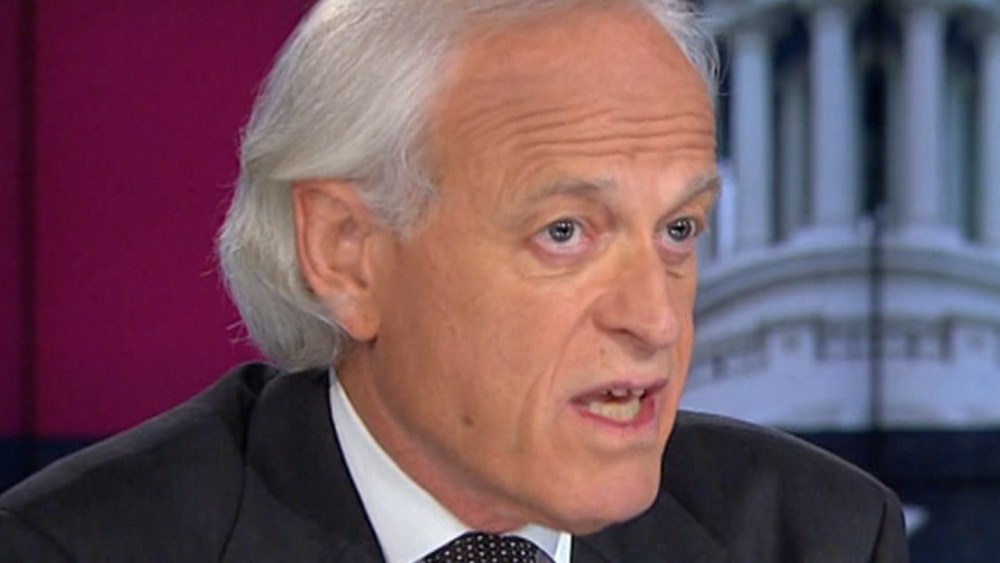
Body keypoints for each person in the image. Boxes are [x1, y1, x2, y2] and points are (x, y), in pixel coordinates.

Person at [0, 0, 908, 561]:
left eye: (678, 229)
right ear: (348, 252)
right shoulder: (76, 547)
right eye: (564, 232)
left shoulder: (816, 536)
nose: (656, 320)